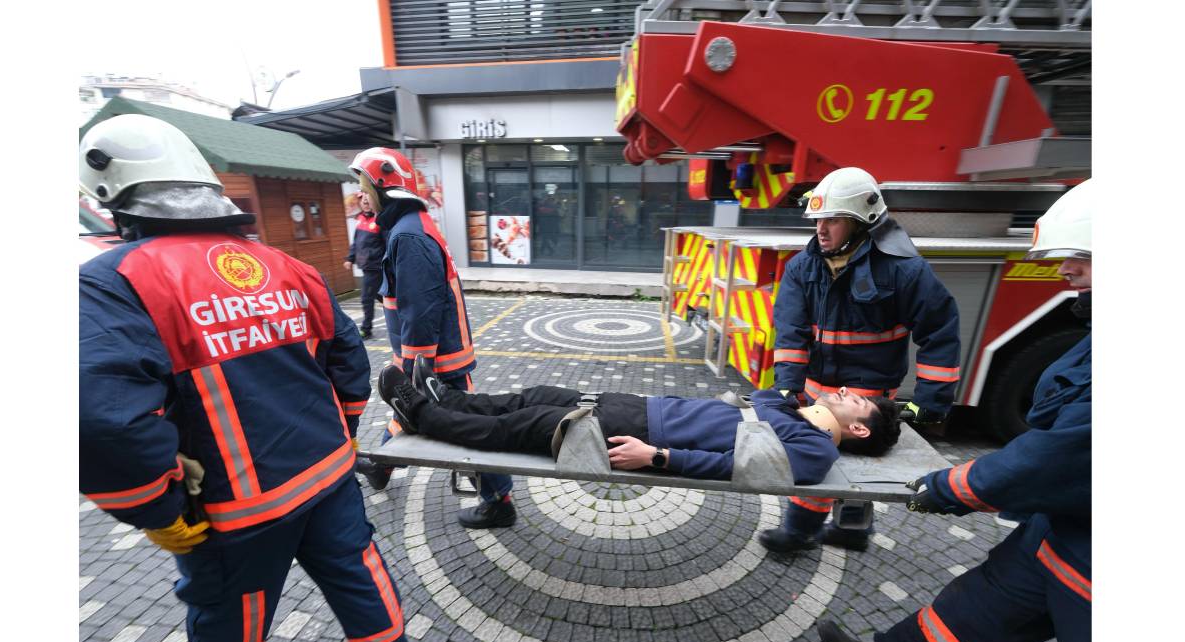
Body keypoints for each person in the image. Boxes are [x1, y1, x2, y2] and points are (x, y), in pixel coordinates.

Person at [78, 115, 415, 642]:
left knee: (231, 627)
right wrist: (340, 434)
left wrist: (156, 507)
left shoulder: (113, 282)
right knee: (361, 580)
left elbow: (101, 420)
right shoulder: (289, 267)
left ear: (116, 202)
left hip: (238, 512)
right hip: (329, 476)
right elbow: (350, 367)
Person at [818, 180, 1093, 642]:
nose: (1066, 269)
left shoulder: (904, 270)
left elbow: (1065, 453)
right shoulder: (808, 265)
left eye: (1086, 257)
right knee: (981, 606)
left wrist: (931, 418)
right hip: (1063, 529)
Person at [760, 167, 961, 555]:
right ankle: (803, 531)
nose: (821, 229)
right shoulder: (804, 266)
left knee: (859, 469)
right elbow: (790, 331)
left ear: (860, 222)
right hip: (817, 392)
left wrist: (932, 402)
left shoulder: (904, 270)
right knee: (819, 463)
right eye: (818, 219)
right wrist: (786, 382)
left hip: (866, 394)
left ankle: (848, 529)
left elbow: (939, 332)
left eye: (833, 219)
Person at [347, 148, 518, 529]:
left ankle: (499, 501)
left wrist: (413, 373)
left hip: (436, 363)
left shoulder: (409, 237)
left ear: (384, 185)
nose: (360, 195)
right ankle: (382, 466)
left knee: (466, 433)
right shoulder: (410, 226)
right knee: (421, 418)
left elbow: (419, 310)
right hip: (437, 359)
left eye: (363, 186)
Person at [376, 359, 901, 481]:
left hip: (642, 433)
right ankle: (443, 396)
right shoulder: (797, 415)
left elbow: (734, 465)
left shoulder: (816, 450)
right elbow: (763, 398)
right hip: (637, 405)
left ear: (858, 429)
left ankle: (419, 412)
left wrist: (659, 458)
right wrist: (800, 400)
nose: (845, 393)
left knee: (517, 427)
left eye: (856, 403)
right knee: (528, 395)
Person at [345, 190, 385, 339]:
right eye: (363, 200)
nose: (366, 203)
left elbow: (387, 244)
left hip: (375, 266)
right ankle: (398, 313)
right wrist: (350, 258)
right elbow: (356, 243)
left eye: (368, 200)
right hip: (366, 265)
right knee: (379, 294)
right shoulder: (361, 220)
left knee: (366, 297)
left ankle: (366, 329)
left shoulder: (379, 219)